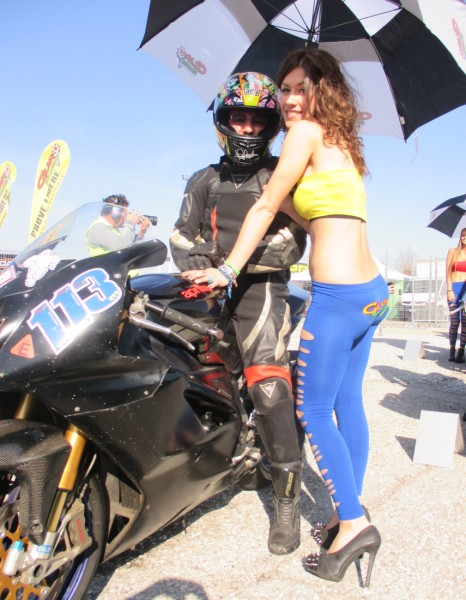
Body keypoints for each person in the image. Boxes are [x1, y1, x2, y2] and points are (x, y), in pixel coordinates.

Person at [183, 49, 389, 585]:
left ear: (323, 90)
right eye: (287, 88)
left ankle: (353, 525)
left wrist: (227, 269)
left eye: (302, 88)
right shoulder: (342, 141)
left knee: (312, 409)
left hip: (338, 297)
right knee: (348, 403)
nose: (291, 99)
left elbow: (264, 206)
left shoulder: (303, 134)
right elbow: (317, 215)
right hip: (372, 292)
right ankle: (348, 511)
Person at [169, 72, 307, 555]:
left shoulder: (281, 174)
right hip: (208, 289)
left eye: (258, 120)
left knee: (268, 384)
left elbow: (291, 243)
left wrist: (227, 264)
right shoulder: (203, 179)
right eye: (239, 118)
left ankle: (287, 501)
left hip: (261, 289)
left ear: (271, 126)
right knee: (181, 367)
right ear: (223, 121)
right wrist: (202, 261)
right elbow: (180, 236)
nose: (247, 128)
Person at [86, 194, 151, 256]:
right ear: (115, 212)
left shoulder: (110, 229)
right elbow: (120, 246)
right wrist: (130, 223)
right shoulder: (97, 228)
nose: (126, 216)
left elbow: (128, 245)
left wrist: (140, 234)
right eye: (126, 212)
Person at [446, 228, 466, 363]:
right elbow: (447, 273)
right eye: (463, 235)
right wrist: (449, 290)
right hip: (454, 288)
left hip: (465, 291)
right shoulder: (452, 251)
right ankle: (452, 349)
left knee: (465, 322)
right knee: (454, 321)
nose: (465, 238)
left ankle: (461, 351)